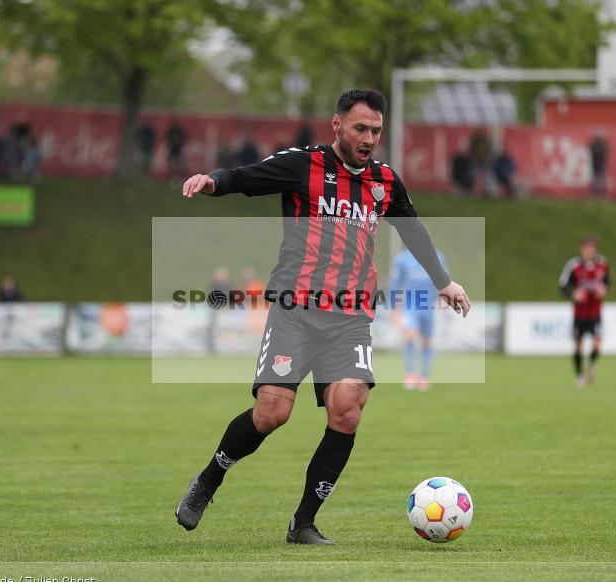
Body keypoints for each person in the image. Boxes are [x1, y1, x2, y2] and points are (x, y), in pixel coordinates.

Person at [177, 88, 470, 545]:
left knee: (348, 409)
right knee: (273, 413)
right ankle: (208, 480)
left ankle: (303, 523)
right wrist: (212, 181)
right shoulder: (302, 164)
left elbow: (412, 230)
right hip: (295, 312)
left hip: (350, 317)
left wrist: (443, 281)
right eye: (360, 128)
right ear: (337, 125)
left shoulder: (385, 181)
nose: (368, 137)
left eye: (375, 129)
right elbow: (244, 177)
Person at [390, 247, 448, 391]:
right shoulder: (403, 258)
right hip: (411, 304)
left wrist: (444, 299)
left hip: (429, 305)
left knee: (427, 341)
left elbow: (444, 279)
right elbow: (395, 284)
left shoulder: (438, 256)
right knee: (410, 335)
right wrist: (394, 308)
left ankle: (424, 376)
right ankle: (410, 373)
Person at [559, 237, 609, 388]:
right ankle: (579, 376)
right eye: (587, 249)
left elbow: (607, 282)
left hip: (595, 313)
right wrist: (573, 294)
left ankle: (590, 363)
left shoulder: (602, 264)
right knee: (578, 346)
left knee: (596, 345)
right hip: (579, 314)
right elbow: (562, 286)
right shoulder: (573, 265)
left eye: (592, 249)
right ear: (582, 249)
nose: (590, 251)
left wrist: (604, 289)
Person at [468, 129, 492, 196]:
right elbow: (471, 152)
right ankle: (474, 191)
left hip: (484, 162)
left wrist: (488, 159)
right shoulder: (475, 141)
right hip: (477, 162)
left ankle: (486, 191)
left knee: (486, 178)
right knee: (474, 177)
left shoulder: (486, 141)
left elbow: (489, 152)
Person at [588, 131, 609, 199]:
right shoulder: (594, 145)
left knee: (601, 180)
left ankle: (601, 194)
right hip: (595, 165)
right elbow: (592, 151)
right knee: (596, 180)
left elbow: (605, 151)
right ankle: (595, 194)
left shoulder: (603, 145)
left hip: (601, 165)